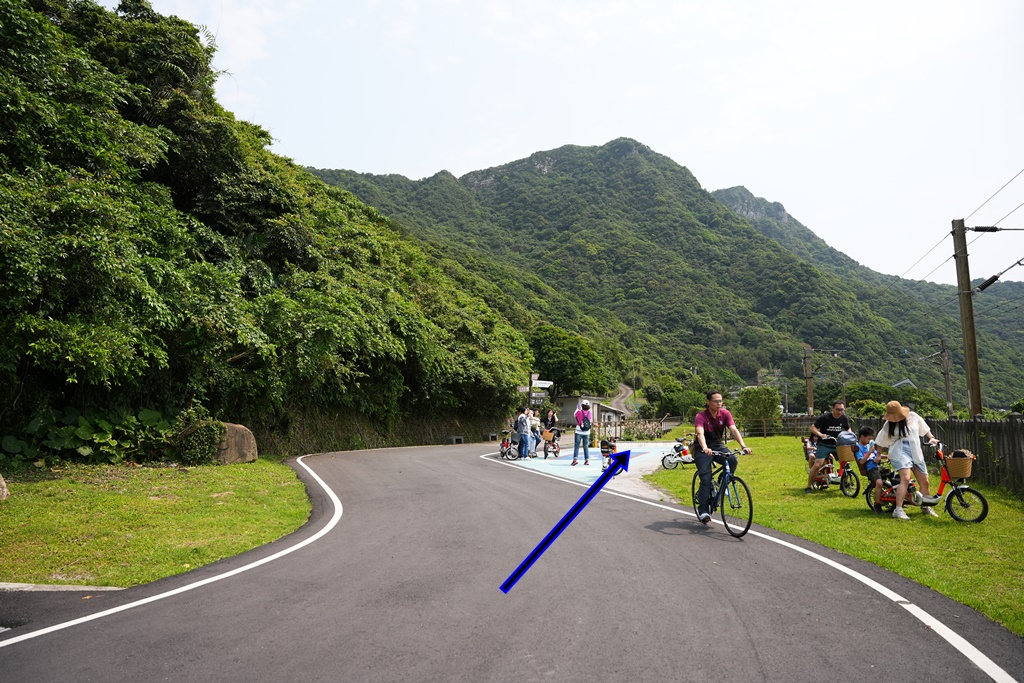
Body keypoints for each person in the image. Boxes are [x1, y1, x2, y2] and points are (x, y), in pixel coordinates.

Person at [873, 400, 938, 520]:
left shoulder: (913, 416)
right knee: (906, 478)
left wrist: (932, 438)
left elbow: (924, 428)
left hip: (915, 451)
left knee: (925, 481)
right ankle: (898, 510)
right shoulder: (889, 424)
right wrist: (878, 454)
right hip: (899, 451)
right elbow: (880, 440)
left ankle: (925, 506)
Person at [694, 391, 751, 524]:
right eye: (716, 401)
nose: (719, 404)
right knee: (706, 478)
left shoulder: (725, 414)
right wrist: (704, 448)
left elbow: (734, 429)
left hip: (718, 445)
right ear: (708, 402)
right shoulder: (701, 416)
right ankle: (703, 511)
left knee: (732, 459)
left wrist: (743, 445)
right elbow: (699, 433)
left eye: (721, 401)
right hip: (702, 448)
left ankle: (721, 482)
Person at [806, 401, 851, 493]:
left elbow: (847, 428)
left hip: (837, 444)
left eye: (842, 410)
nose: (839, 412)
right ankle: (808, 486)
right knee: (818, 464)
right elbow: (813, 427)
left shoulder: (843, 418)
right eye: (837, 409)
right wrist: (820, 434)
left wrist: (850, 434)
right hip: (824, 444)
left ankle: (845, 483)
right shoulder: (825, 418)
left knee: (845, 462)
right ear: (832, 409)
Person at [855, 426, 884, 513]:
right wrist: (869, 452)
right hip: (870, 468)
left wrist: (888, 456)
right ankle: (877, 504)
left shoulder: (869, 446)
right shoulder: (858, 448)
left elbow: (877, 455)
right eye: (868, 438)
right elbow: (861, 461)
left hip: (877, 465)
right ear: (862, 437)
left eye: (871, 438)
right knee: (879, 483)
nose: (870, 441)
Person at [572, 400, 592, 466]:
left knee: (577, 446)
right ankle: (587, 460)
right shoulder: (590, 413)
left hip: (579, 431)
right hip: (587, 432)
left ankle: (575, 460)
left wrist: (578, 408)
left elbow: (574, 415)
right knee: (585, 446)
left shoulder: (579, 412)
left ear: (582, 405)